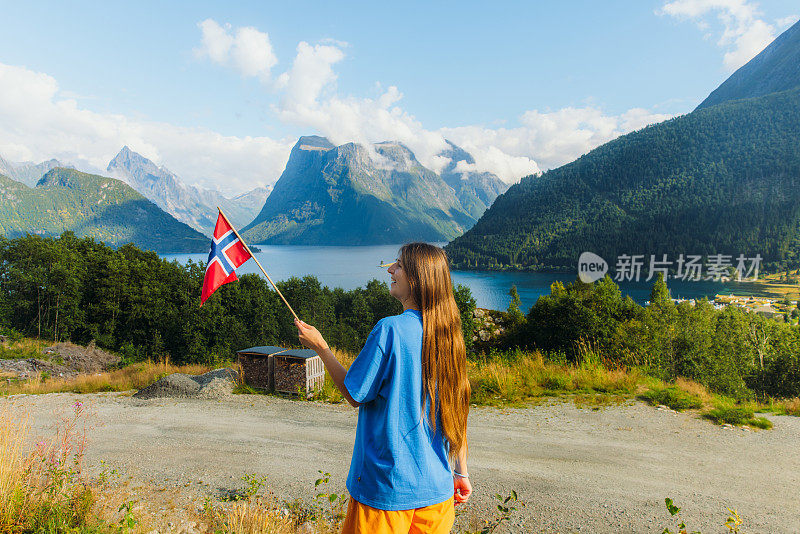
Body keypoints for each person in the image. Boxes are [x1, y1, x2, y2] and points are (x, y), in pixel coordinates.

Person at [295, 242, 472, 534]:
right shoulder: (450, 336)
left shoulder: (390, 330)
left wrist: (321, 347)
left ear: (417, 278)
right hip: (437, 495)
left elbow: (354, 394)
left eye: (399, 265)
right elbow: (457, 414)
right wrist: (461, 471)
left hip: (386, 495)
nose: (390, 270)